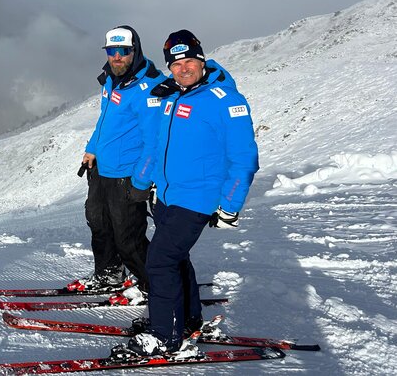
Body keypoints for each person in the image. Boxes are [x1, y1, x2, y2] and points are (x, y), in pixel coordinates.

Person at [127, 29, 259, 356]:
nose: (183, 68)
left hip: (197, 200)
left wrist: (230, 205)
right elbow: (157, 147)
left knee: (159, 262)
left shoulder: (226, 101)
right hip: (168, 197)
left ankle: (166, 337)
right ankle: (186, 320)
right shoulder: (172, 97)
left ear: (201, 59)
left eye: (189, 61)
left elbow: (244, 158)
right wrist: (143, 183)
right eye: (176, 63)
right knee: (177, 260)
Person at [68, 26, 164, 299]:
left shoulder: (150, 88)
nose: (117, 57)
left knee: (128, 239)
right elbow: (105, 121)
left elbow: (153, 142)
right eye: (112, 51)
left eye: (124, 51)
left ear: (136, 51)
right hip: (102, 168)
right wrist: (91, 149)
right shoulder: (112, 79)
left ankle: (157, 289)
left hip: (127, 174)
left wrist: (142, 181)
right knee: (98, 221)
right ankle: (109, 273)